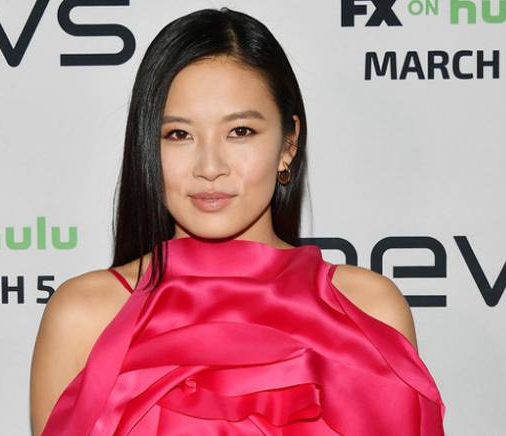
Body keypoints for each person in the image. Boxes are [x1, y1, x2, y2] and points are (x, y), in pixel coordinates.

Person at [30, 6, 445, 435]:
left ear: (288, 144)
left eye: (240, 131)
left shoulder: (368, 310)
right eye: (179, 135)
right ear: (148, 147)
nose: (210, 167)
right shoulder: (84, 317)